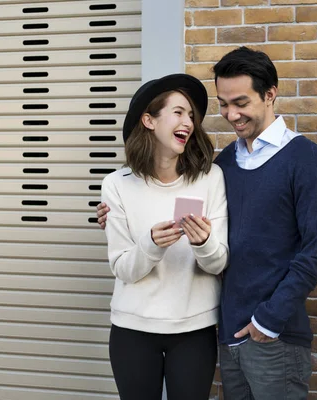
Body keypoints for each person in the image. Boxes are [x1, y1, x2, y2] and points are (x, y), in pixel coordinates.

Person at [97, 47, 317, 400]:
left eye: (241, 102)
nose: (231, 114)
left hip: (272, 332)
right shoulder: (227, 164)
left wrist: (269, 320)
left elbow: (315, 253)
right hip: (228, 334)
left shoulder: (303, 157)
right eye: (224, 104)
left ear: (270, 94)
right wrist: (120, 221)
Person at [100, 73, 228, 400]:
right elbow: (123, 268)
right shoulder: (116, 184)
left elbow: (218, 263)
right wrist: (151, 244)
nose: (188, 120)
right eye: (178, 112)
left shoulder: (210, 177)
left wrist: (204, 243)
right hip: (132, 331)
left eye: (190, 115)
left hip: (193, 330)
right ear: (148, 120)